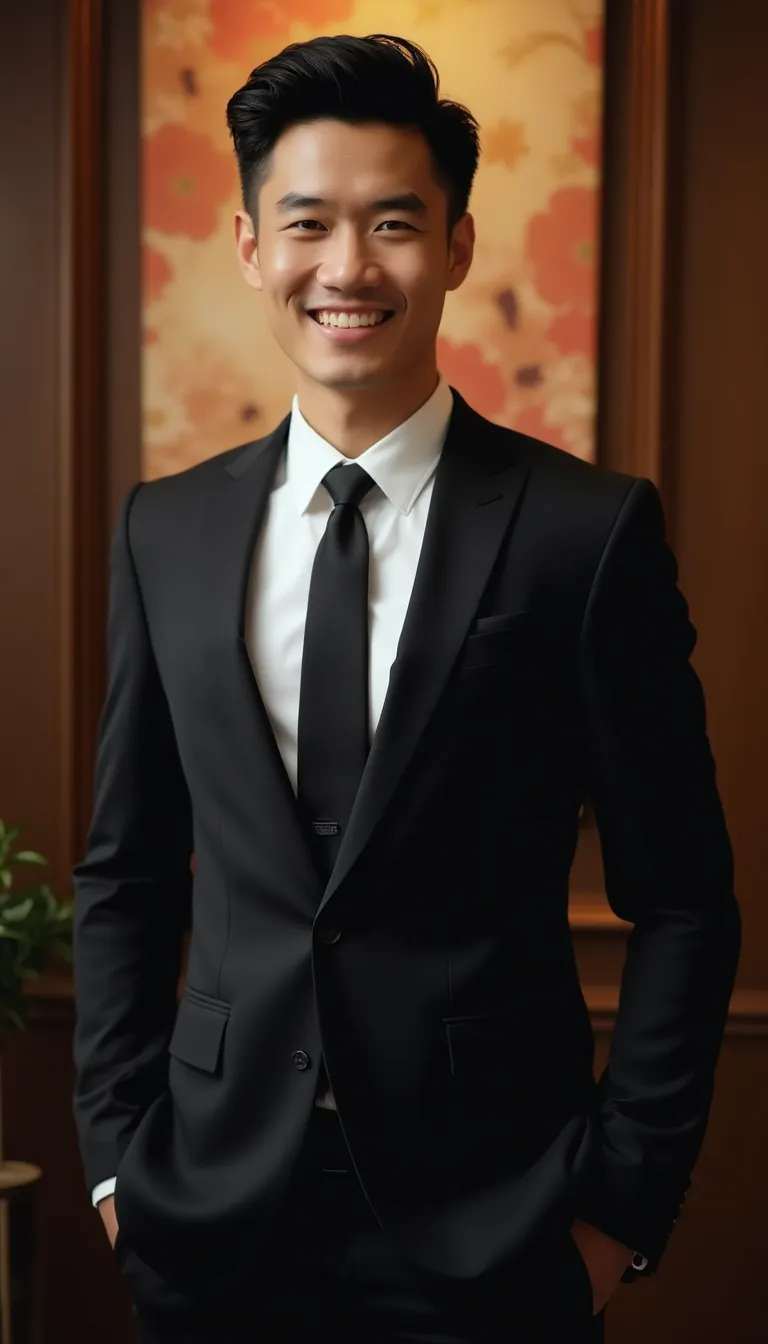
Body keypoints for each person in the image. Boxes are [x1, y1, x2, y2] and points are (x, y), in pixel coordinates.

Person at [72, 32, 740, 1344]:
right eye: (307, 223)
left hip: (497, 1226)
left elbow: (685, 900)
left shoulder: (582, 533)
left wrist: (618, 1212)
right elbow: (125, 871)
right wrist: (113, 1162)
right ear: (253, 247)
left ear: (458, 247)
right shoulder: (167, 530)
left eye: (393, 223)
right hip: (209, 1220)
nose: (348, 268)